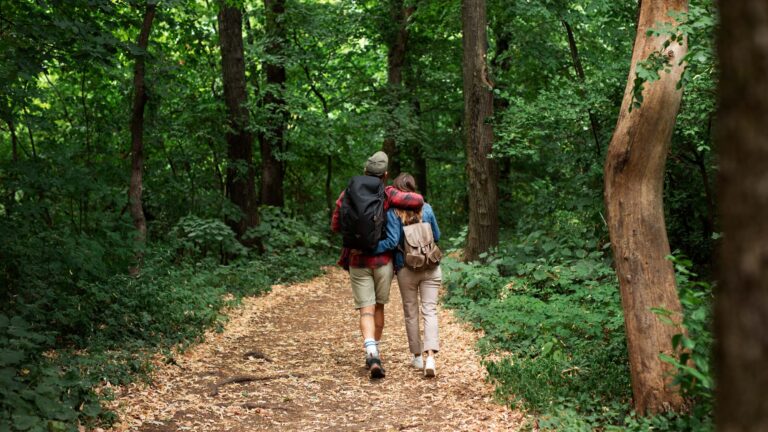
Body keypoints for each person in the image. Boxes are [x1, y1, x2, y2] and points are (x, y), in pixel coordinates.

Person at [331, 152, 423, 379]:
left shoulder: (347, 193)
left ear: (365, 171)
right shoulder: (387, 192)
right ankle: (375, 351)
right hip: (382, 261)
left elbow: (335, 225)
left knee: (366, 309)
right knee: (379, 307)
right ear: (385, 174)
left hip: (357, 259)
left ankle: (371, 352)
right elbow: (417, 201)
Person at [372, 173, 442, 377]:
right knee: (430, 311)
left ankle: (418, 357)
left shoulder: (394, 212)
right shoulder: (427, 208)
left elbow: (393, 241)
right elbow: (436, 236)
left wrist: (373, 247)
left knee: (411, 312)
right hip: (431, 266)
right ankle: (431, 357)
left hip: (407, 269)